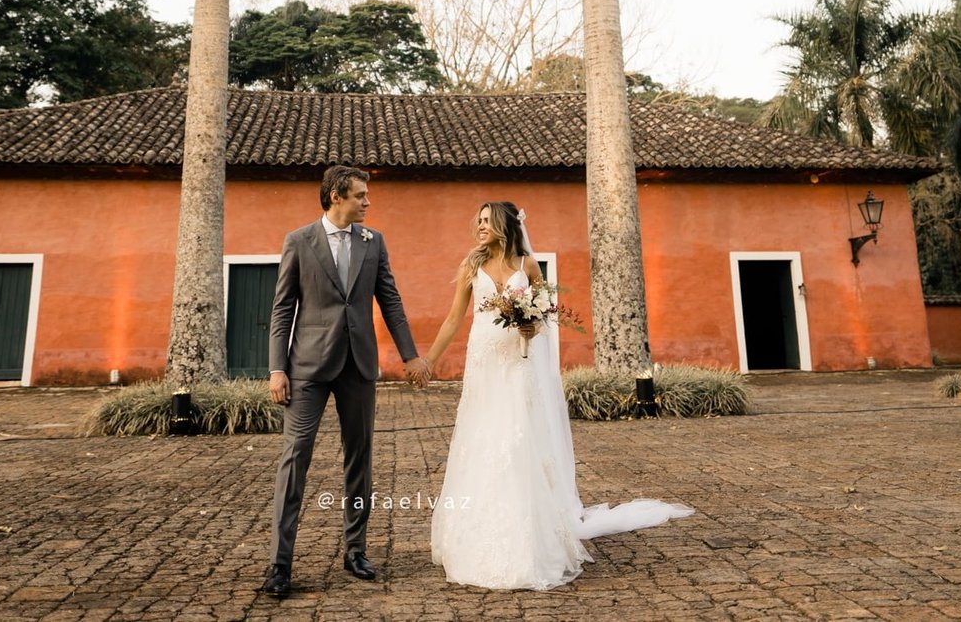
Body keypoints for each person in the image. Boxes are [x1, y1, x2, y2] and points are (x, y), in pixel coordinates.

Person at [424, 201, 692, 590]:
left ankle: (528, 538)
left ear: (502, 225)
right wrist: (428, 361)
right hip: (484, 363)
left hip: (518, 365)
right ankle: (474, 531)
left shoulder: (527, 266)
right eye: (478, 221)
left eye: (486, 221)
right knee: (481, 439)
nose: (479, 226)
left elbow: (544, 317)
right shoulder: (471, 266)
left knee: (518, 440)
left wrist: (533, 329)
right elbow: (453, 318)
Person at [261, 165, 431, 599]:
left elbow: (390, 300)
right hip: (307, 369)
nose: (368, 202)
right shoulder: (299, 241)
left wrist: (410, 355)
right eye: (361, 195)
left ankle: (355, 550)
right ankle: (280, 564)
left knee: (360, 459)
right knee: (294, 458)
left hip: (358, 366)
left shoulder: (374, 243)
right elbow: (283, 310)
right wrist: (277, 367)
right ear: (337, 195)